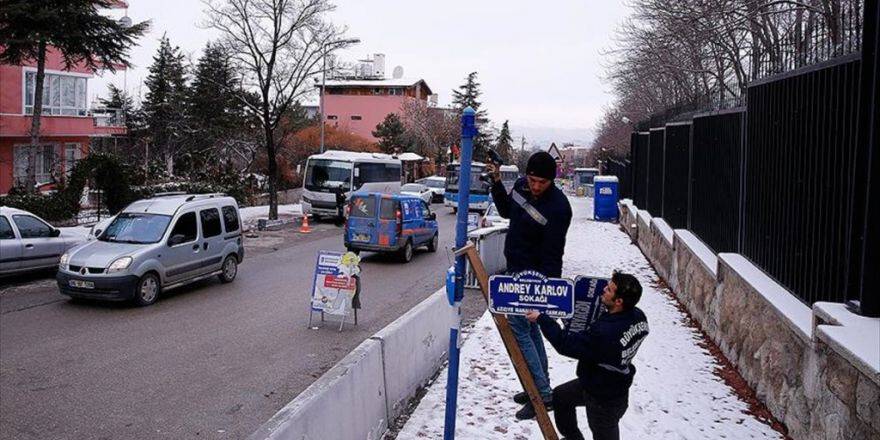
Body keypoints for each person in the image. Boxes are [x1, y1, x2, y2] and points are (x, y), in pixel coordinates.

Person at [486, 151, 573, 420]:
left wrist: (547, 294)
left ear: (552, 180)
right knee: (530, 332)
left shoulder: (559, 208)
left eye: (542, 182)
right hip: (514, 268)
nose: (535, 186)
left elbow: (554, 253)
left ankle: (543, 395)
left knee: (519, 330)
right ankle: (536, 384)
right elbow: (505, 211)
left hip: (536, 279)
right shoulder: (521, 187)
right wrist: (497, 182)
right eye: (533, 180)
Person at [525, 272, 649, 440]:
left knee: (604, 434)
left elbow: (565, 344)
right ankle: (573, 437)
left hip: (604, 399)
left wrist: (542, 319)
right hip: (603, 382)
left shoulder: (606, 333)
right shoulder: (638, 316)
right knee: (561, 396)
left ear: (619, 302)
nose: (603, 289)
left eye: (609, 289)